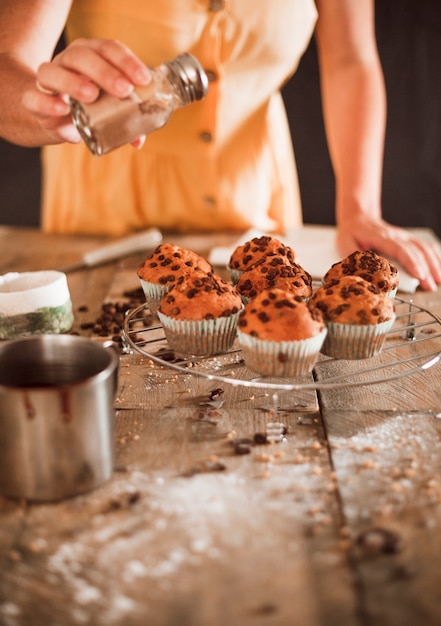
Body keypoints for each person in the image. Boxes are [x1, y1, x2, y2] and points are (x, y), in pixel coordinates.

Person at [0, 0, 440, 290]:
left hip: (255, 205)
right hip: (101, 213)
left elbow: (351, 58)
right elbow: (9, 67)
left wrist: (359, 208)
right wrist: (39, 104)